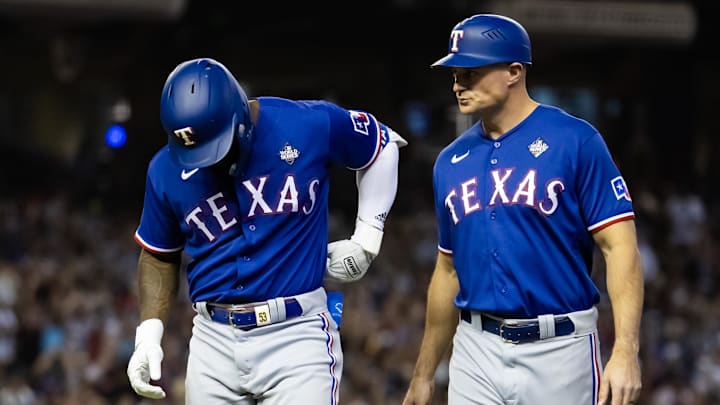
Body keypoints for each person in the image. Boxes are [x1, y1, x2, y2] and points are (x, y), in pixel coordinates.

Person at [126, 57, 407, 404]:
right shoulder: (164, 169)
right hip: (212, 340)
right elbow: (158, 254)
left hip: (296, 333)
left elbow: (381, 145)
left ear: (239, 115)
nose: (206, 159)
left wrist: (367, 237)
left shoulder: (306, 123)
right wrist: (149, 335)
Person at [402, 14, 643, 405]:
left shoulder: (576, 140)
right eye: (455, 73)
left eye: (471, 72)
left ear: (514, 71)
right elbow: (447, 270)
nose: (458, 84)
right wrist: (424, 374)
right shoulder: (449, 161)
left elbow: (620, 248)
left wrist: (627, 350)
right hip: (475, 347)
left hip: (560, 348)